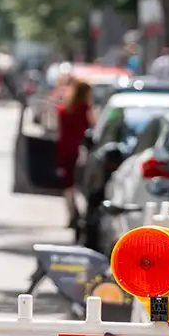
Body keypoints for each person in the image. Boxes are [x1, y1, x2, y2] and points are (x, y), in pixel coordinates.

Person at [55, 78, 94, 228]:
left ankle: (72, 212)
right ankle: (79, 214)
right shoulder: (84, 109)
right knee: (79, 184)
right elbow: (91, 129)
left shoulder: (65, 109)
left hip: (65, 149)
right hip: (80, 150)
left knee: (68, 184)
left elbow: (59, 131)